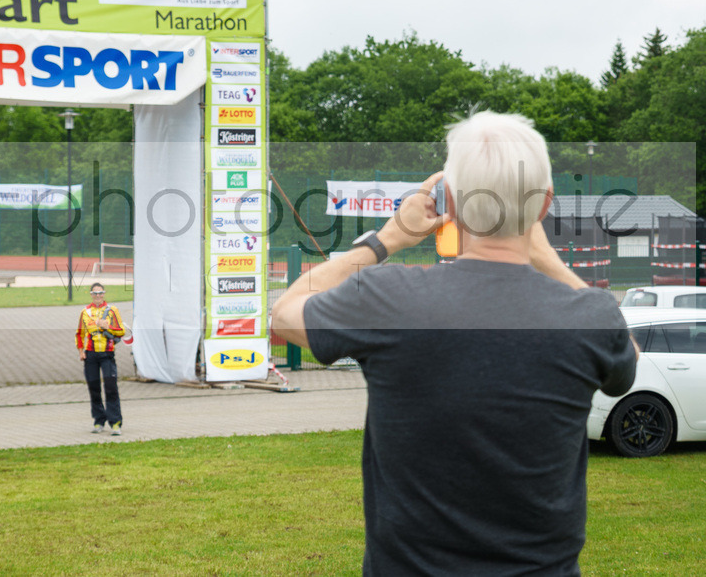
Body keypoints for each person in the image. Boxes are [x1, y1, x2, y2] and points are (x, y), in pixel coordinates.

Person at [272, 111, 638, 575]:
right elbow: (627, 360)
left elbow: (285, 314)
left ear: (452, 204)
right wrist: (549, 262)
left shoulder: (389, 299)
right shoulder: (589, 317)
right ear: (544, 206)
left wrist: (387, 239)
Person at [76, 282, 126, 435]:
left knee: (111, 388)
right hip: (90, 354)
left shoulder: (112, 311)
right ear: (91, 294)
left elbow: (121, 331)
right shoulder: (85, 312)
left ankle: (115, 422)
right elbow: (80, 333)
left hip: (107, 354)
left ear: (104, 294)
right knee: (94, 388)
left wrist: (107, 327)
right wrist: (81, 351)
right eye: (95, 293)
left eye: (100, 293)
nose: (98, 296)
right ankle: (99, 420)